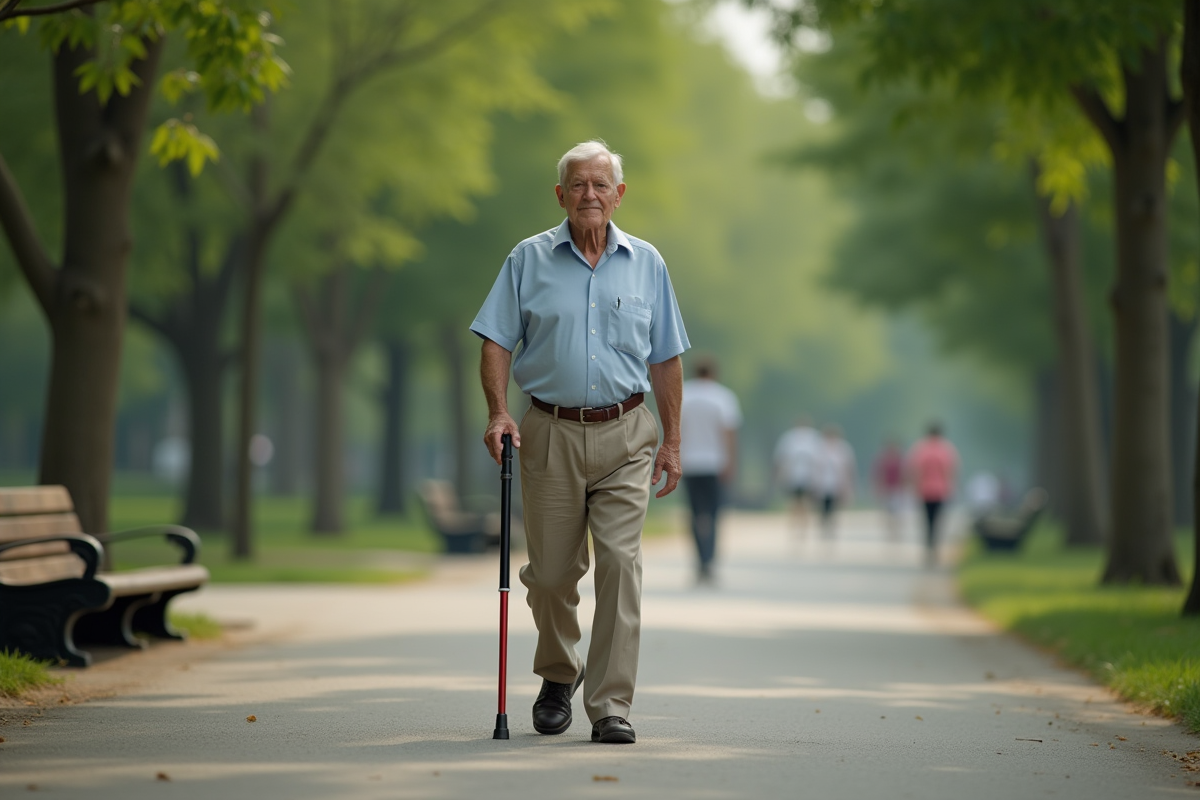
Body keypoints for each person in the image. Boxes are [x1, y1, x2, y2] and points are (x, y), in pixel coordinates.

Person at [471, 140, 689, 746]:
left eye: (600, 185)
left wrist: (672, 443)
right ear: (560, 194)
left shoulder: (648, 263)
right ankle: (558, 674)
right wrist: (497, 412)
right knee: (550, 575)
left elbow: (666, 358)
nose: (589, 195)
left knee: (621, 564)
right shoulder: (528, 259)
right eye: (578, 185)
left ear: (619, 194)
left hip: (627, 435)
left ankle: (611, 703)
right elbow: (495, 340)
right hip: (549, 432)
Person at [680, 357, 741, 584]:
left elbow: (676, 427)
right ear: (714, 374)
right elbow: (728, 432)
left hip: (689, 462)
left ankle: (699, 560)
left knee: (695, 514)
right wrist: (731, 461)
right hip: (715, 463)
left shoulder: (684, 394)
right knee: (714, 515)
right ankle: (710, 560)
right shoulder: (723, 397)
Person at [906, 422, 959, 564]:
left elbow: (915, 470)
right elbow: (950, 471)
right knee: (937, 520)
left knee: (927, 520)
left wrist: (914, 486)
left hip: (924, 490)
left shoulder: (921, 448)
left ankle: (929, 546)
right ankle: (934, 546)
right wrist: (951, 487)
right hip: (940, 490)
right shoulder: (946, 449)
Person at [774, 417, 823, 538]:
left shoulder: (814, 438)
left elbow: (821, 459)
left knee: (806, 503)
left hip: (808, 476)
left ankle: (803, 528)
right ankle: (794, 526)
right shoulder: (789, 438)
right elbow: (781, 457)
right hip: (792, 476)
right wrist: (780, 474)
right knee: (794, 503)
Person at [812, 424, 856, 538]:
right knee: (823, 508)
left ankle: (831, 529)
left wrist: (848, 486)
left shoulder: (843, 449)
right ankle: (823, 529)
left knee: (834, 508)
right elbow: (815, 468)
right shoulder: (819, 449)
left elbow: (848, 468)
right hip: (822, 484)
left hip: (837, 484)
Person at [872, 439, 905, 540]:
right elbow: (878, 474)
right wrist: (878, 487)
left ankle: (896, 529)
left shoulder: (900, 460)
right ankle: (890, 529)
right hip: (886, 487)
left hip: (897, 487)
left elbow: (905, 474)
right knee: (888, 510)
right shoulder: (883, 460)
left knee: (896, 510)